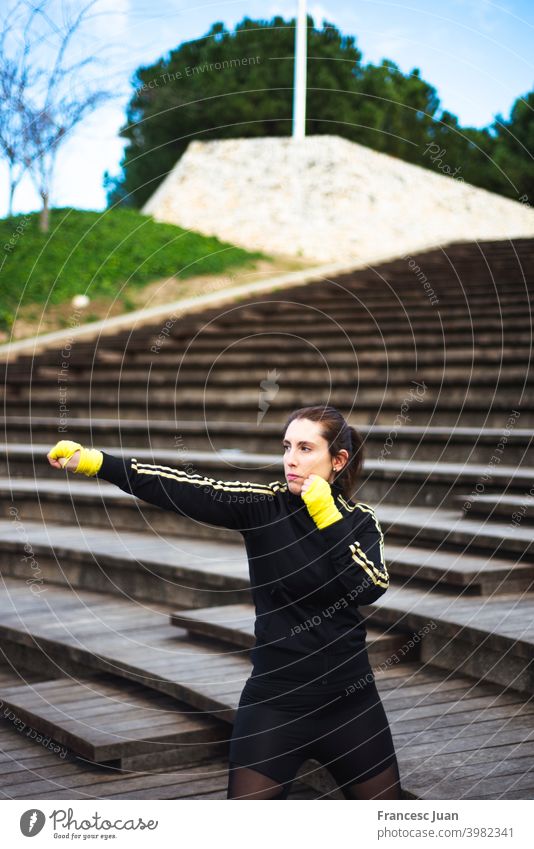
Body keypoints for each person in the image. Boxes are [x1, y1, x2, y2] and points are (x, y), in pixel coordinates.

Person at [47, 404, 401, 800]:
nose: (290, 460)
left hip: (351, 704)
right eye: (287, 447)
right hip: (274, 702)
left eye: (305, 449)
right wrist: (97, 462)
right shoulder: (263, 506)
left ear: (338, 460)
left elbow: (370, 585)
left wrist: (326, 514)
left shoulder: (359, 521)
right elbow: (185, 487)